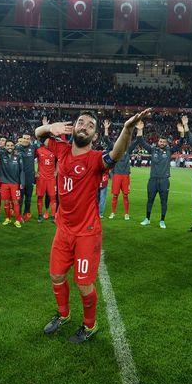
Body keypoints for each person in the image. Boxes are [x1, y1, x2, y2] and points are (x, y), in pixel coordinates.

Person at [36, 108, 151, 343]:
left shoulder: (96, 159)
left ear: (95, 135)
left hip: (87, 234)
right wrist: (50, 127)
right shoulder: (62, 149)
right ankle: (64, 314)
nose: (85, 126)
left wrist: (127, 129)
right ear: (74, 127)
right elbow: (38, 133)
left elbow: (116, 154)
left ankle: (89, 326)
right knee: (56, 275)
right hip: (63, 230)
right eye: (81, 122)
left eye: (90, 125)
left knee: (84, 284)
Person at [136, 119, 184, 229]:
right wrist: (140, 130)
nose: (161, 143)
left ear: (166, 143)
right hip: (153, 179)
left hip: (164, 180)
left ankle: (162, 221)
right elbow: (141, 141)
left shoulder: (169, 151)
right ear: (158, 142)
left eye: (164, 142)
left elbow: (180, 143)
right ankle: (147, 219)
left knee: (164, 201)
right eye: (160, 141)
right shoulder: (153, 150)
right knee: (150, 200)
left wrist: (181, 132)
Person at [103, 119, 136, 221]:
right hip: (116, 174)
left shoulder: (128, 148)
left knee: (125, 195)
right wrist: (106, 129)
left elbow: (138, 140)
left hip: (125, 175)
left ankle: (126, 214)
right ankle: (113, 213)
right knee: (115, 195)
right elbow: (106, 139)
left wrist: (135, 128)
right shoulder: (114, 147)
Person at [0, 139, 24, 228]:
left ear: (14, 146)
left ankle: (17, 220)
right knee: (6, 202)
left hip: (15, 183)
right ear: (5, 146)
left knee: (16, 202)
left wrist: (22, 182)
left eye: (11, 145)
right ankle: (7, 218)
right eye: (8, 145)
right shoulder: (1, 154)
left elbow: (22, 170)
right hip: (4, 183)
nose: (9, 147)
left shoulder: (18, 156)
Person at [16, 134, 38, 221]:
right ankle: (19, 214)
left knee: (28, 197)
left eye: (27, 139)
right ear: (21, 139)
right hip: (20, 177)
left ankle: (27, 212)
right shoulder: (17, 148)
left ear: (30, 140)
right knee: (20, 197)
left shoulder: (33, 148)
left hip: (30, 177)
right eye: (24, 138)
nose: (25, 140)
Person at [35, 139, 57, 222]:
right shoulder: (38, 150)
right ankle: (40, 215)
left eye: (49, 141)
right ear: (43, 142)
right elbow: (29, 160)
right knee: (40, 196)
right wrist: (35, 172)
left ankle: (53, 216)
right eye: (46, 141)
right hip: (41, 178)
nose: (48, 143)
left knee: (53, 197)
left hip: (51, 178)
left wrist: (56, 171)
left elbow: (59, 160)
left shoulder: (55, 150)